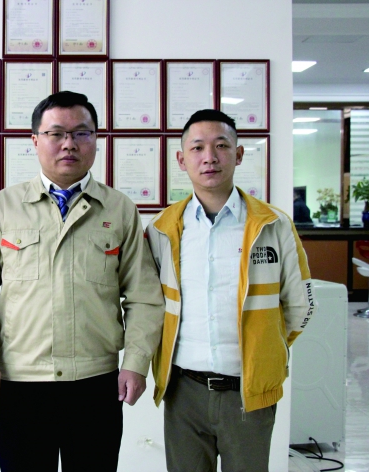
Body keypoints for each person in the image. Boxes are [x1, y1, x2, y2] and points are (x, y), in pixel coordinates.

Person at [0, 91, 164, 471]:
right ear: (35, 140)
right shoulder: (4, 207)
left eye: (81, 133)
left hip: (96, 382)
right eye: (56, 134)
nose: (69, 144)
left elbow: (144, 296)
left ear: (96, 140)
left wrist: (136, 362)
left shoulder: (119, 210)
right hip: (22, 382)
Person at [146, 109, 315, 472]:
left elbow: (300, 305)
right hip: (183, 391)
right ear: (182, 160)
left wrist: (266, 347)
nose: (210, 157)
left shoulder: (273, 225)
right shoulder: (161, 229)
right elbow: (149, 305)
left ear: (238, 155)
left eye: (221, 146)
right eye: (197, 148)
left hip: (248, 392)